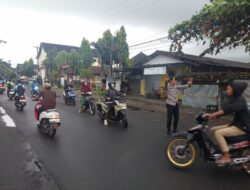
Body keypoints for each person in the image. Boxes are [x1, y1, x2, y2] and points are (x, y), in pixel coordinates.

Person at [203, 81, 250, 165]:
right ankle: (222, 148)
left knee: (218, 133)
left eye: (228, 89)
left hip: (243, 126)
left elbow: (227, 110)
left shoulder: (240, 100)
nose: (226, 90)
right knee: (213, 129)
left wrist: (212, 115)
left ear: (234, 90)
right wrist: (212, 115)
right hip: (237, 124)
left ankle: (226, 155)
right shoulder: (234, 98)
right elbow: (225, 110)